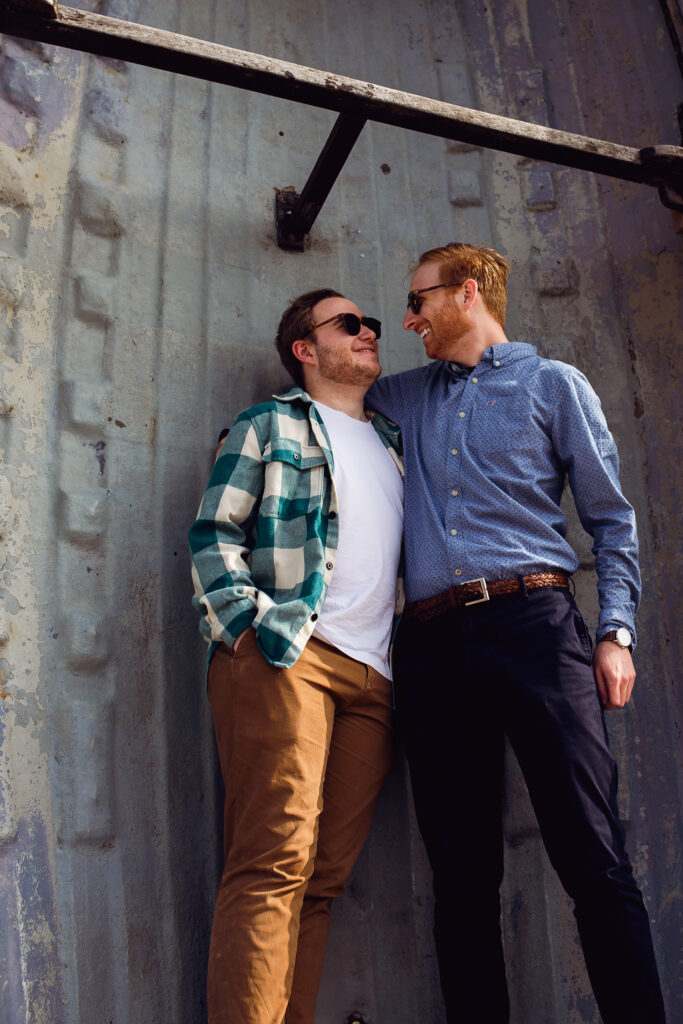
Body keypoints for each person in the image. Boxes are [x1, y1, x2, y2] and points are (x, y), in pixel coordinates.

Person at [367, 243, 666, 1023]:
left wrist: (616, 632)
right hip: (430, 644)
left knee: (592, 859)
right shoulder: (399, 396)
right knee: (460, 880)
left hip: (535, 626)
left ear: (468, 294)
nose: (406, 320)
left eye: (418, 301)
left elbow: (610, 520)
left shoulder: (552, 384)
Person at [189, 288, 404, 1024]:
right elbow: (213, 533)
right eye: (349, 324)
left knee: (320, 882)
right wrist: (247, 626)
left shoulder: (394, 442)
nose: (368, 330)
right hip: (290, 654)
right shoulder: (270, 424)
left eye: (370, 322)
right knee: (271, 865)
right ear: (306, 350)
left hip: (374, 677)